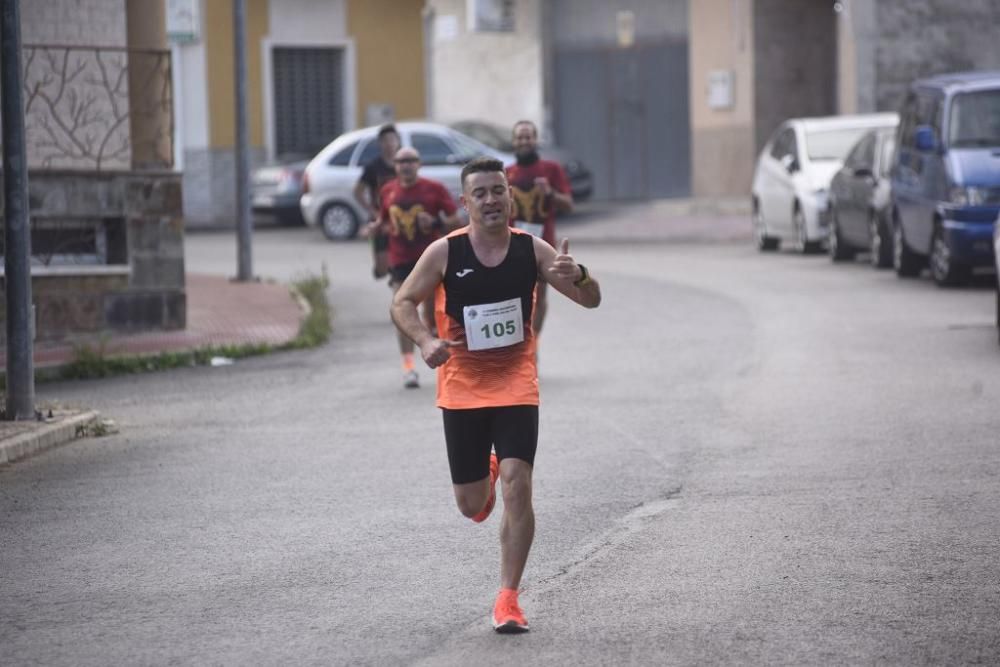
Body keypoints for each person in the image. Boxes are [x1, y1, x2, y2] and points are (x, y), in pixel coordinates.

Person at [389, 157, 601, 633]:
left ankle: (509, 598)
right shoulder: (444, 253)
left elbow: (591, 300)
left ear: (510, 197)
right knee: (472, 506)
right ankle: (483, 476)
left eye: (498, 190)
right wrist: (425, 341)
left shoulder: (532, 249)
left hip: (515, 382)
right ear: (464, 203)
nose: (491, 199)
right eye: (479, 193)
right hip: (462, 388)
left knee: (518, 483)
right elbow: (401, 301)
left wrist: (580, 273)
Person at [376, 147, 461, 388]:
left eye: (411, 160)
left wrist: (435, 221)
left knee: (434, 315)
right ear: (395, 165)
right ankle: (408, 367)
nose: (406, 165)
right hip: (400, 262)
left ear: (419, 163)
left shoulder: (434, 189)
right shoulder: (387, 191)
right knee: (401, 313)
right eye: (401, 161)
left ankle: (441, 361)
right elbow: (383, 222)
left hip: (431, 262)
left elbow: (456, 221)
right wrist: (377, 239)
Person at [505, 120, 574, 336]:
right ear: (514, 142)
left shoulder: (551, 169)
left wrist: (550, 193)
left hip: (542, 244)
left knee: (539, 296)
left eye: (528, 136)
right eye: (520, 137)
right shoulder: (506, 172)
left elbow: (569, 204)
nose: (524, 141)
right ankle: (518, 342)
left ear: (535, 140)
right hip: (511, 245)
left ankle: (533, 345)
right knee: (513, 297)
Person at [354, 124, 401, 279]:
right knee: (382, 270)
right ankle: (386, 270)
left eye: (392, 140)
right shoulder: (373, 167)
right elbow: (358, 191)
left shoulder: (404, 164)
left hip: (401, 218)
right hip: (380, 219)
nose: (389, 144)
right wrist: (372, 210)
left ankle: (398, 283)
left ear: (397, 142)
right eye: (385, 140)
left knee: (402, 263)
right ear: (380, 144)